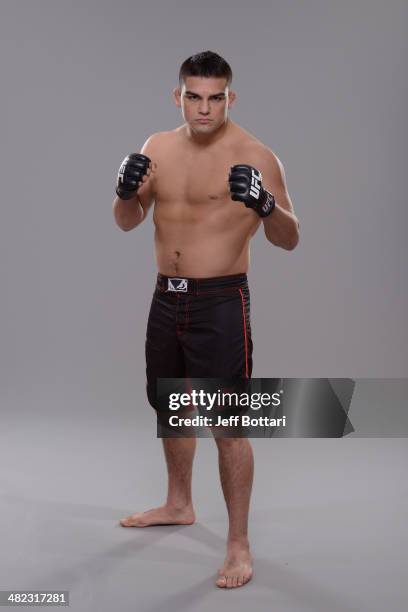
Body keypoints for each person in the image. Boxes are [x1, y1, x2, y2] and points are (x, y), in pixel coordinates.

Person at [112, 50, 299, 589]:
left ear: (229, 98)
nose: (204, 107)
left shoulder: (256, 154)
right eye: (194, 96)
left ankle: (238, 545)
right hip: (165, 297)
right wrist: (124, 192)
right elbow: (128, 222)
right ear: (179, 96)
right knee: (171, 403)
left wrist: (266, 204)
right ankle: (178, 503)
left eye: (215, 98)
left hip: (219, 301)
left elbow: (289, 239)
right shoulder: (157, 147)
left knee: (228, 423)